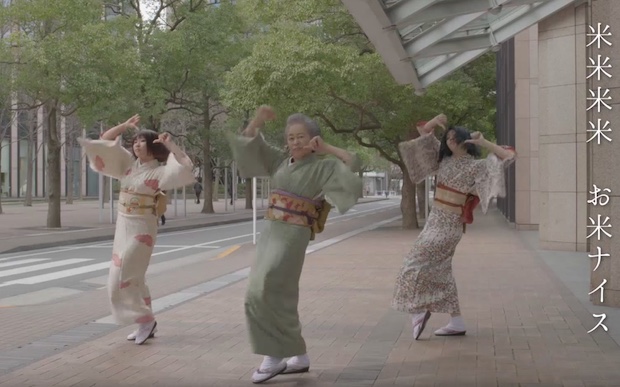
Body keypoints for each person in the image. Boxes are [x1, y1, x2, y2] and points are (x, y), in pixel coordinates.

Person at [227, 106, 363, 384]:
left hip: (294, 234)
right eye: (291, 137)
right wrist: (258, 120)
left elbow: (353, 165)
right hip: (271, 231)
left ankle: (274, 355)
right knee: (277, 291)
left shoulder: (324, 165)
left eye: (301, 137)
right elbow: (248, 143)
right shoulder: (280, 161)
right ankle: (297, 356)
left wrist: (327, 148)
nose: (295, 142)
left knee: (264, 287)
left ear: (313, 140)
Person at [391, 114, 516, 340]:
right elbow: (424, 137)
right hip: (434, 220)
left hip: (449, 225)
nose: (449, 141)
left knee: (413, 262)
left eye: (454, 138)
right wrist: (432, 123)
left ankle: (418, 309)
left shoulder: (477, 167)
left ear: (464, 141)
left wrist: (484, 143)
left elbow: (507, 156)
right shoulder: (444, 161)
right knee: (442, 272)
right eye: (447, 138)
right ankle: (456, 321)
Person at [78, 115, 195, 345]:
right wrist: (123, 126)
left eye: (142, 141)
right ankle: (145, 322)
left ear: (153, 147)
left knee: (121, 277)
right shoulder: (128, 166)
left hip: (142, 228)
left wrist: (170, 144)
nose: (137, 144)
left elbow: (184, 165)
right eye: (136, 140)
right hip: (123, 225)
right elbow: (105, 141)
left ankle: (145, 319)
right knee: (135, 278)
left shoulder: (160, 172)